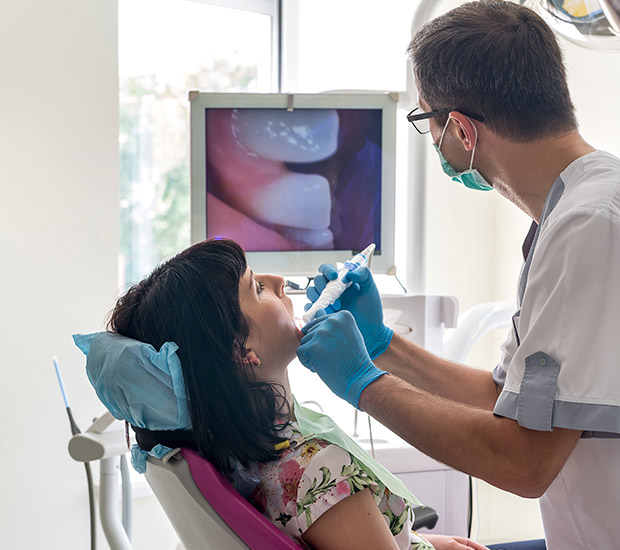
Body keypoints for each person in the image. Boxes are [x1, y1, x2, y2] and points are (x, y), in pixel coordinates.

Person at [296, 2, 620, 549]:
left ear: (462, 131)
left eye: (426, 121)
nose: (433, 140)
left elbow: (525, 463)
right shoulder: (575, 209)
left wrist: (364, 384)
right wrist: (382, 345)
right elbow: (505, 396)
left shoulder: (590, 224)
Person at [80, 238, 487, 550]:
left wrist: (420, 543)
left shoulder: (243, 461)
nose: (278, 282)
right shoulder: (318, 471)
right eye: (257, 287)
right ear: (241, 351)